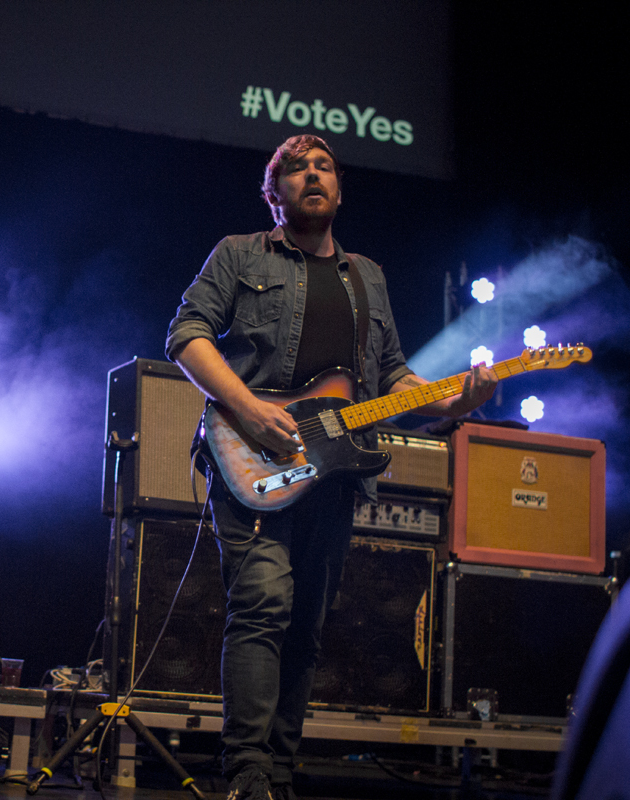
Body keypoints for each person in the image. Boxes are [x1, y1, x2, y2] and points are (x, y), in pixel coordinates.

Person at [166, 135, 496, 800]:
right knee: (263, 603)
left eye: (322, 167)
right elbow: (186, 336)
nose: (310, 175)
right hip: (251, 454)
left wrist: (456, 397)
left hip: (333, 471)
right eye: (294, 168)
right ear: (274, 192)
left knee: (307, 623)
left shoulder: (367, 276)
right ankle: (248, 773)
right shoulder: (239, 253)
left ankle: (280, 774)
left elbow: (392, 376)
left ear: (339, 190)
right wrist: (250, 409)